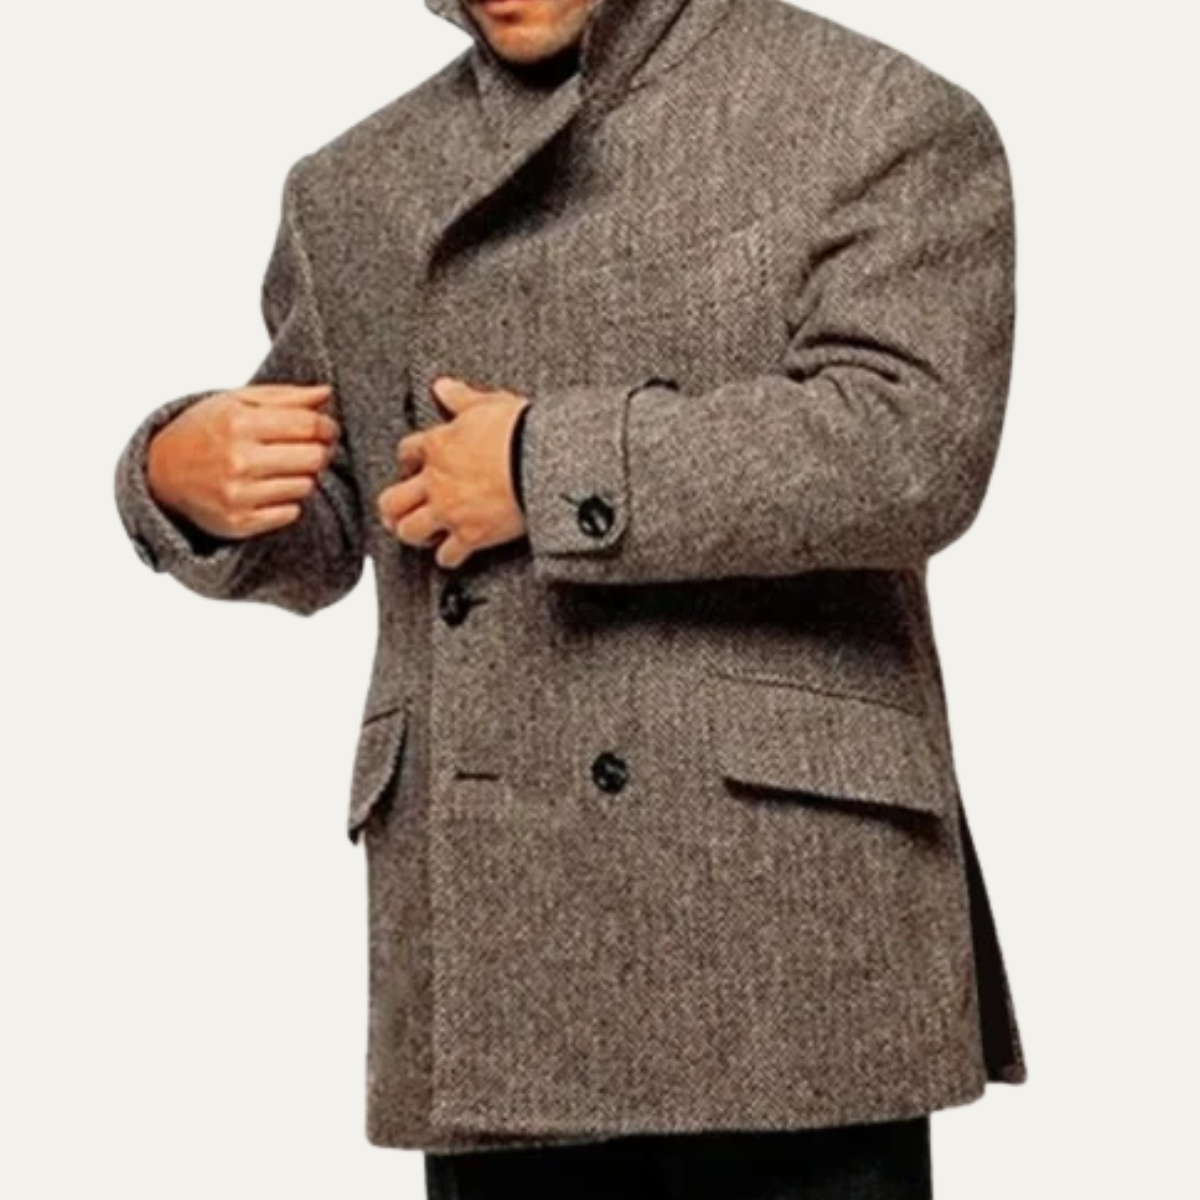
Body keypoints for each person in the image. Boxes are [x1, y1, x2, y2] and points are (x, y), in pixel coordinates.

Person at [114, 0, 1027, 1195]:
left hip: (780, 903)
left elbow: (911, 449)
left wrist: (546, 467)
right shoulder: (355, 186)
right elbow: (336, 518)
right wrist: (177, 478)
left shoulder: (876, 115)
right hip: (501, 911)